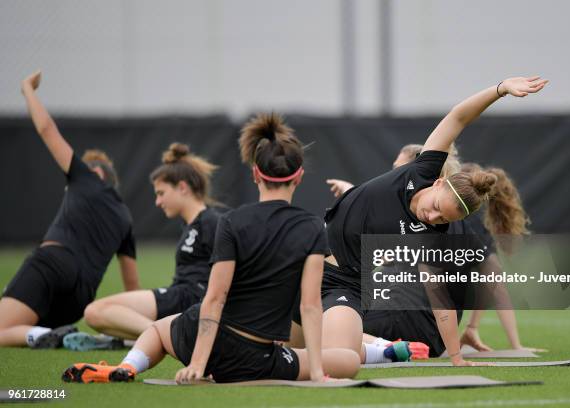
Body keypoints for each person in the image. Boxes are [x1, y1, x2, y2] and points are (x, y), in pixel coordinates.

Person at [62, 113, 360, 384]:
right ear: (299, 177)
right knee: (348, 359)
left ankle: (129, 367)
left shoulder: (230, 221)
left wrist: (197, 363)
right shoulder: (310, 228)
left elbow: (215, 298)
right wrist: (318, 373)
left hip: (207, 342)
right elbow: (310, 305)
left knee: (158, 330)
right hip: (258, 359)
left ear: (256, 174)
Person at [314, 76, 548, 367]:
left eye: (443, 218)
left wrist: (456, 357)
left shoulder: (432, 233)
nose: (433, 217)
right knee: (278, 333)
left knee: (334, 359)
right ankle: (380, 348)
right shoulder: (422, 170)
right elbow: (457, 117)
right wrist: (499, 90)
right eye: (436, 207)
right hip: (311, 261)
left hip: (343, 284)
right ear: (438, 183)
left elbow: (441, 302)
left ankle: (381, 349)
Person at [0, 70, 138, 348]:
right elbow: (133, 286)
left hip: (52, 264)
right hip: (79, 298)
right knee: (22, 319)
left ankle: (41, 334)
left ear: (97, 172)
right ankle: (52, 332)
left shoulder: (85, 178)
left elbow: (47, 129)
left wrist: (28, 89)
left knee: (4, 328)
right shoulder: (125, 217)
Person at [63, 143, 221, 350]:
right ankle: (135, 338)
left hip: (189, 299)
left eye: (161, 193)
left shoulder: (211, 221)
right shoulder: (191, 225)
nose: (157, 201)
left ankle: (163, 334)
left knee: (95, 312)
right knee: (98, 317)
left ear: (182, 188)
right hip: (179, 297)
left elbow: (231, 269)